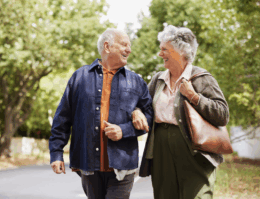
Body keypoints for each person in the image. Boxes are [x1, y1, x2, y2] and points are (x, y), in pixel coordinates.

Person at [49, 28, 153, 199]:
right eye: (124, 45)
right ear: (107, 46)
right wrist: (56, 153)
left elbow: (150, 117)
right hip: (88, 164)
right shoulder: (80, 77)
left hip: (123, 165)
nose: (129, 49)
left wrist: (125, 129)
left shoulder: (136, 81)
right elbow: (63, 118)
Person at [132, 25, 229, 199]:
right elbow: (141, 104)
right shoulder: (158, 79)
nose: (160, 54)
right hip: (161, 148)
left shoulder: (202, 78)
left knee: (198, 196)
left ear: (181, 51)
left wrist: (194, 96)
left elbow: (222, 114)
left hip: (193, 150)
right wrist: (137, 111)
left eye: (164, 49)